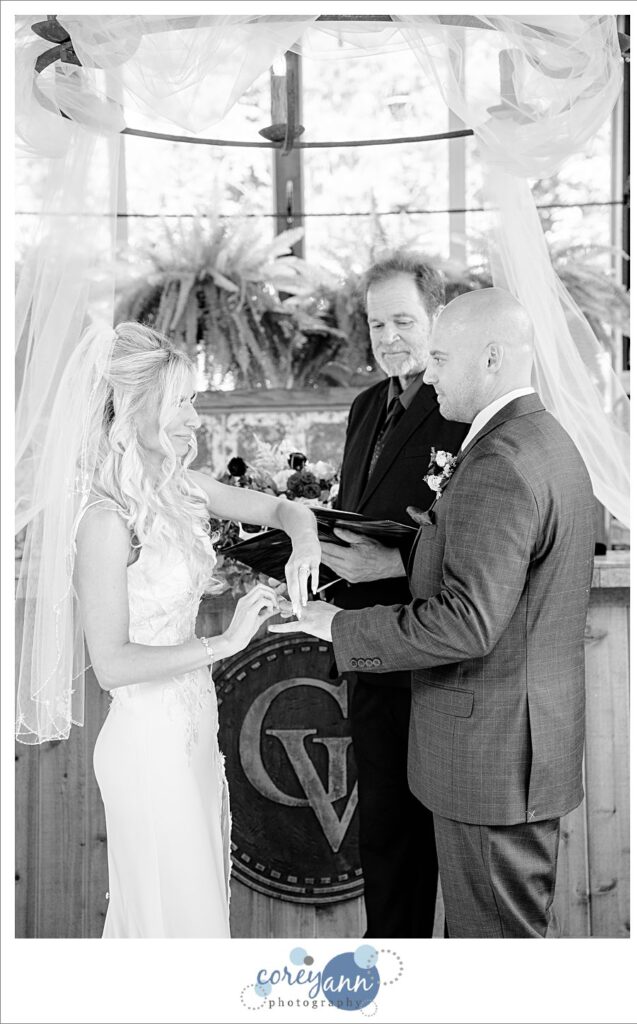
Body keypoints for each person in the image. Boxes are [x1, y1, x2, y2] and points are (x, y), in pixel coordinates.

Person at [271, 287, 597, 939]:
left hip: (493, 754)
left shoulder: (500, 462)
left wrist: (335, 625)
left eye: (441, 358)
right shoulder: (538, 438)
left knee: (492, 947)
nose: (430, 373)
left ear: (492, 358)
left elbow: (466, 621)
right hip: (513, 744)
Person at [15, 321, 321, 939]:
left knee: (193, 924)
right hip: (148, 749)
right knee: (172, 931)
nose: (194, 419)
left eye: (193, 400)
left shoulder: (179, 489)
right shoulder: (104, 520)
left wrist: (304, 541)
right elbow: (112, 664)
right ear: (134, 410)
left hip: (194, 737)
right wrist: (226, 643)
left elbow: (280, 508)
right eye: (179, 402)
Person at [319, 251, 468, 938]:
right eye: (377, 324)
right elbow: (360, 514)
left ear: (438, 316)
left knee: (446, 846)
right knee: (383, 837)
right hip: (368, 654)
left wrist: (396, 560)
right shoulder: (364, 406)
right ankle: (390, 972)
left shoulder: (459, 404)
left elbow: (475, 537)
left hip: (435, 655)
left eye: (403, 320)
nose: (388, 338)